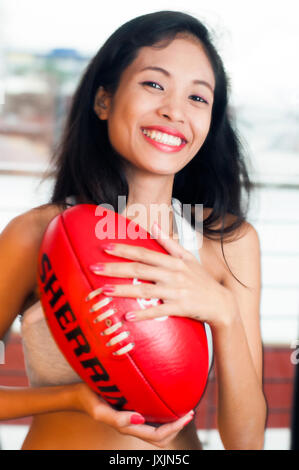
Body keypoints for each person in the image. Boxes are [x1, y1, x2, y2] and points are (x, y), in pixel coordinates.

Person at [0, 10, 267, 450]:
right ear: (103, 101)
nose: (174, 111)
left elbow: (247, 442)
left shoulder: (228, 244)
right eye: (154, 84)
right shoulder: (37, 234)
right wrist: (72, 398)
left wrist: (223, 310)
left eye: (198, 98)